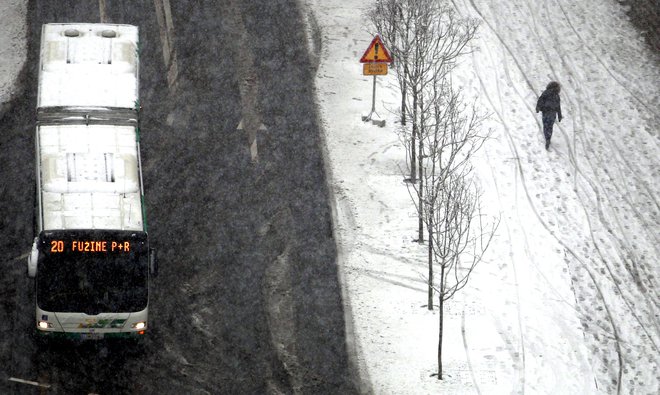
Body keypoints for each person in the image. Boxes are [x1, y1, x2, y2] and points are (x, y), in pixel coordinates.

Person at [535, 81, 563, 150]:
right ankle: (548, 138)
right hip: (552, 113)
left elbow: (540, 100)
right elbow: (558, 107)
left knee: (545, 125)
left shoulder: (546, 92)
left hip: (546, 112)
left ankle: (547, 137)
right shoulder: (557, 96)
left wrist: (538, 107)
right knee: (550, 126)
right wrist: (559, 115)